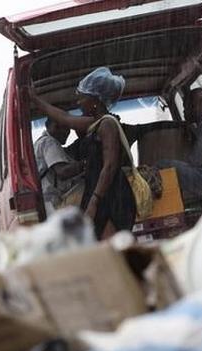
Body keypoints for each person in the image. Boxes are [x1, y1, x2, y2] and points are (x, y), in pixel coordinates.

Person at [29, 67, 136, 239]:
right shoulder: (94, 124)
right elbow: (64, 118)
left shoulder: (107, 124)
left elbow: (109, 166)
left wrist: (94, 201)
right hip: (99, 194)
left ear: (95, 100)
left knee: (110, 250)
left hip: (109, 195)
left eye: (82, 98)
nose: (79, 103)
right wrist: (35, 100)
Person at [34, 117, 85, 213]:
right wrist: (86, 164)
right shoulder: (49, 142)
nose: (68, 132)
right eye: (66, 128)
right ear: (56, 126)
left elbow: (71, 151)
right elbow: (63, 172)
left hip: (47, 207)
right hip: (55, 205)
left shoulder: (40, 143)